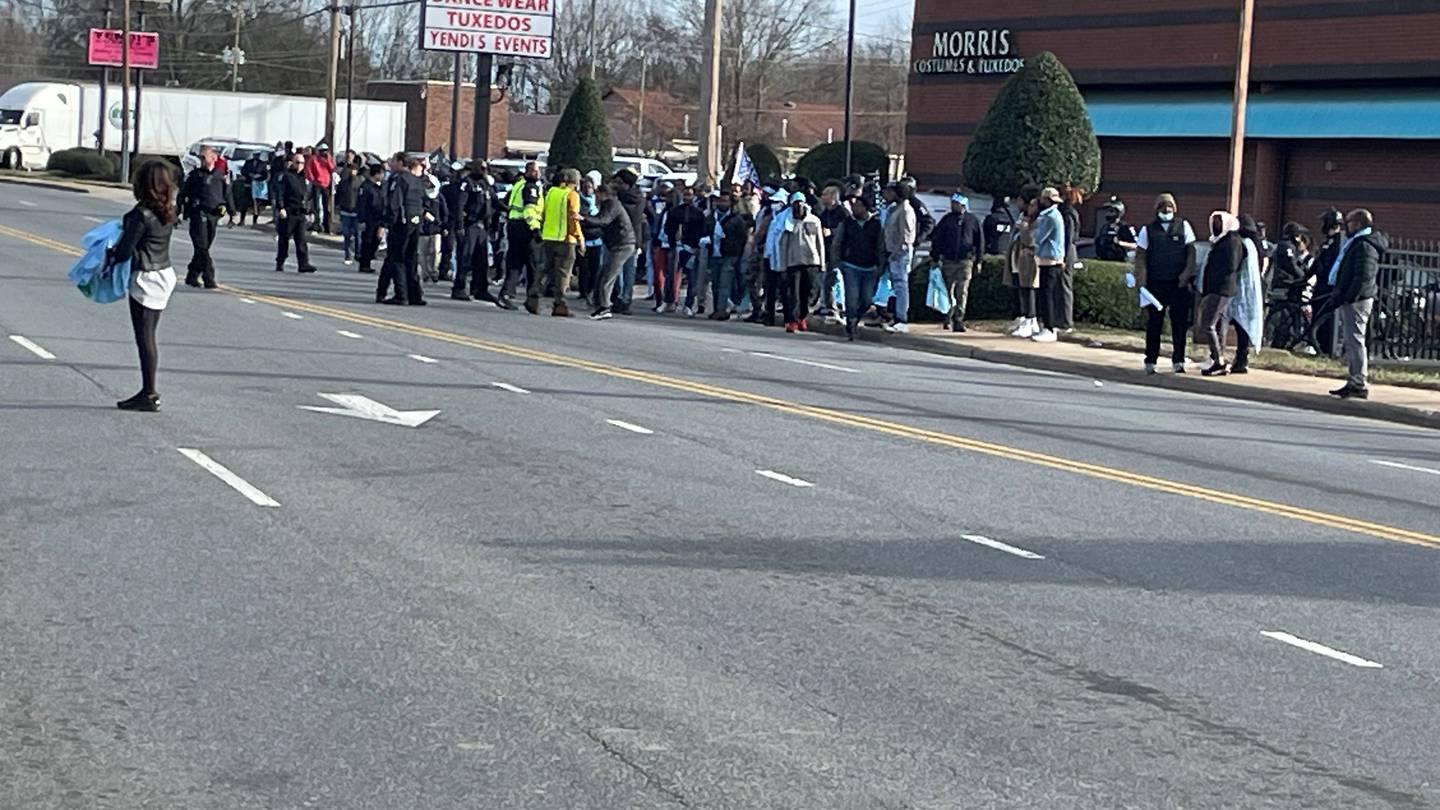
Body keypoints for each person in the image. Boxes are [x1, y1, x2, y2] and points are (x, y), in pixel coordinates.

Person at [109, 160, 179, 412]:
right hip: (164, 272)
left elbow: (125, 251)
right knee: (149, 335)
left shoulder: (141, 214)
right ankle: (147, 391)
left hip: (146, 278)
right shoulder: (167, 210)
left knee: (145, 337)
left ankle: (149, 393)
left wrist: (110, 252)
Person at [1133, 192, 1197, 374]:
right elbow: (1141, 256)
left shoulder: (1184, 226)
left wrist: (1186, 275)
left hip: (1178, 285)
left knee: (1179, 325)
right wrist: (1141, 280)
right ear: (1156, 209)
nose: (1166, 209)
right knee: (1154, 324)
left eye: (1169, 206)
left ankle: (1178, 361)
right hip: (1156, 284)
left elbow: (1191, 253)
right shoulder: (1148, 230)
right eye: (1162, 206)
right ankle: (1150, 362)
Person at [1327, 209, 1388, 399]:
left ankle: (1359, 382)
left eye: (1350, 222)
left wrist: (1349, 296)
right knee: (1352, 340)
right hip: (1354, 298)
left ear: (1359, 224)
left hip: (1357, 300)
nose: (1347, 226)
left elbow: (1363, 276)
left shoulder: (1364, 245)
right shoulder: (1358, 243)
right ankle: (1354, 380)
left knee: (1355, 341)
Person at [830, 194, 887, 340]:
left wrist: (880, 265)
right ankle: (851, 323)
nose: (855, 208)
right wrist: (836, 263)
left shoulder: (875, 224)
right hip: (850, 266)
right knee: (852, 298)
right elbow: (838, 243)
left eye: (859, 206)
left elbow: (880, 246)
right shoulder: (847, 223)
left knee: (867, 299)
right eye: (855, 206)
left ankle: (857, 317)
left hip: (869, 268)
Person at [1198, 211, 1248, 376]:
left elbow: (1232, 265)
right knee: (1216, 324)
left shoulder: (1232, 241)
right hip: (1216, 288)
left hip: (1222, 288)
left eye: (1219, 223)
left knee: (1208, 323)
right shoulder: (1221, 241)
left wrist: (1216, 277)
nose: (1216, 227)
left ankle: (1218, 360)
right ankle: (1217, 358)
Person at [528, 167, 582, 316]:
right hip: (566, 239)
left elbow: (544, 213)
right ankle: (560, 304)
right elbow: (573, 218)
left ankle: (533, 296)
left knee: (545, 269)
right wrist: (579, 238)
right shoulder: (572, 195)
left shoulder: (551, 193)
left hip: (549, 237)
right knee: (563, 273)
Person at [177, 145, 231, 289]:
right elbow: (182, 194)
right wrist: (177, 212)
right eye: (200, 157)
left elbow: (227, 194)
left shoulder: (220, 176)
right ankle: (209, 277)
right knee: (201, 246)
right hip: (197, 213)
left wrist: (231, 212)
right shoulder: (195, 175)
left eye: (204, 157)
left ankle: (192, 275)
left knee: (204, 247)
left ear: (213, 158)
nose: (201, 160)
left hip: (214, 214)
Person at [929, 192, 984, 332]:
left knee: (962, 290)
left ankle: (959, 319)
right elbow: (938, 238)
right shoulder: (947, 220)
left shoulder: (973, 220)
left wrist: (979, 260)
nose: (953, 206)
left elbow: (980, 241)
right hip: (948, 261)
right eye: (952, 203)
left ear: (963, 205)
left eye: (956, 203)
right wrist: (935, 256)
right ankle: (947, 317)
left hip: (965, 261)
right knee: (947, 290)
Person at [582, 180, 636, 320]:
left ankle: (605, 307)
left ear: (602, 194)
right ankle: (600, 305)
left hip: (623, 244)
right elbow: (601, 225)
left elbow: (603, 221)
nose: (595, 198)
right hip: (617, 244)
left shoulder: (612, 204)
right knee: (602, 274)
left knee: (608, 276)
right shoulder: (608, 205)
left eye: (597, 195)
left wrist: (583, 218)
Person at [378, 156, 427, 305]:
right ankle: (415, 295)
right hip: (416, 221)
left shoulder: (399, 180)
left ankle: (401, 294)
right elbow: (424, 201)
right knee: (411, 259)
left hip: (401, 222)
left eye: (394, 161)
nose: (391, 164)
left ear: (401, 163)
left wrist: (386, 223)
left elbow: (395, 203)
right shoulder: (417, 181)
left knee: (397, 258)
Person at [778, 191, 825, 333]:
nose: (798, 207)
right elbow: (783, 245)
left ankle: (802, 317)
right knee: (794, 293)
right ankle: (792, 320)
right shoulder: (788, 222)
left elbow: (819, 242)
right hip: (793, 262)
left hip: (811, 261)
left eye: (800, 204)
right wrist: (782, 264)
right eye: (795, 204)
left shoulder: (814, 220)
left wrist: (822, 263)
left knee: (807, 291)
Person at [1227, 214, 1267, 373]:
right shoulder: (1254, 245)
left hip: (1240, 288)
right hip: (1251, 288)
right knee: (1242, 326)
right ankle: (1242, 357)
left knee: (1238, 324)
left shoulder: (1242, 244)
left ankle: (1240, 358)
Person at [500, 160, 544, 310]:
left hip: (513, 225)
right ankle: (532, 299)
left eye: (538, 171)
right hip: (526, 227)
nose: (537, 174)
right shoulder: (531, 187)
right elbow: (529, 209)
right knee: (533, 264)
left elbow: (506, 202)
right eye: (534, 171)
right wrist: (535, 229)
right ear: (527, 171)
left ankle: (506, 294)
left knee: (515, 262)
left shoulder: (518, 184)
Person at [704, 191, 752, 321]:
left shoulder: (736, 219)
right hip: (714, 254)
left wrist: (736, 253)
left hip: (729, 255)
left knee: (724, 283)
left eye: (725, 201)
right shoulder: (711, 217)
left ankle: (722, 310)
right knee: (715, 283)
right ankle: (716, 309)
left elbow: (743, 237)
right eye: (720, 201)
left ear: (730, 203)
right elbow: (704, 231)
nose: (722, 204)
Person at [453, 161, 497, 302]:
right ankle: (459, 288)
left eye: (485, 169)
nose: (484, 171)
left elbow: (494, 201)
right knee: (466, 257)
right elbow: (460, 206)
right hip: (470, 225)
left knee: (482, 260)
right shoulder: (467, 183)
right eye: (481, 168)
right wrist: (460, 226)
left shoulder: (486, 185)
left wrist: (510, 209)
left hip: (482, 226)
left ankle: (480, 289)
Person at [1030, 187, 1066, 343]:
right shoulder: (1053, 215)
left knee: (1047, 295)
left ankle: (1049, 328)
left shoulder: (1050, 217)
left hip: (1050, 260)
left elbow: (1039, 236)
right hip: (1050, 259)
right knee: (1047, 294)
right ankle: (1047, 326)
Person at [610, 169, 648, 314]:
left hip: (625, 238)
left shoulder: (626, 200)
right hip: (631, 238)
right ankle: (623, 299)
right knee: (625, 271)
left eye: (619, 183)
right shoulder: (640, 197)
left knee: (623, 271)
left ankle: (622, 299)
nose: (616, 185)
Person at [881, 183, 917, 333]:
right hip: (893, 253)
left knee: (901, 286)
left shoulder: (906, 210)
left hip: (900, 255)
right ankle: (894, 316)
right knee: (895, 287)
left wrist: (898, 252)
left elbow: (906, 235)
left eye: (889, 192)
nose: (886, 194)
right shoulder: (895, 209)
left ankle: (902, 319)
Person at [273, 150, 317, 274]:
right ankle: (280, 261)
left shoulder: (305, 178)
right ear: (292, 162)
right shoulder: (286, 176)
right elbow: (280, 193)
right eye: (297, 162)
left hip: (301, 213)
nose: (300, 165)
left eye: (302, 163)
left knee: (301, 240)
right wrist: (281, 208)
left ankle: (303, 264)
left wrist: (311, 211)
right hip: (288, 212)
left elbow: (309, 196)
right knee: (284, 239)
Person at [666, 185, 707, 316]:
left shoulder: (698, 213)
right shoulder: (674, 211)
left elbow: (702, 230)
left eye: (690, 195)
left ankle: (688, 304)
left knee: (692, 278)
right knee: (672, 275)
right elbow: (668, 228)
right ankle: (670, 301)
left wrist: (695, 245)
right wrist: (674, 238)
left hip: (692, 249)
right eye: (685, 195)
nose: (687, 197)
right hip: (676, 247)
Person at [1309, 207, 1345, 354]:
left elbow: (1327, 265)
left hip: (1328, 288)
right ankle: (1319, 347)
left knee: (1325, 321)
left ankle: (1326, 349)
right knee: (1318, 317)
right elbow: (1318, 263)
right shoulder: (1329, 242)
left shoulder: (1338, 243)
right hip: (1321, 286)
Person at [1006, 194, 1042, 338]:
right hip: (1018, 258)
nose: (1030, 208)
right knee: (1021, 289)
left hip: (1031, 259)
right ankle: (1024, 318)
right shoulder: (1023, 218)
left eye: (1033, 206)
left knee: (1029, 289)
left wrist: (1024, 228)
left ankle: (1031, 319)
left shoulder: (1037, 222)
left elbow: (1030, 241)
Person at [577, 172, 604, 303]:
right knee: (584, 268)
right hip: (584, 239)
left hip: (597, 239)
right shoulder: (578, 200)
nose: (588, 189)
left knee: (595, 268)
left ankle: (592, 290)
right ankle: (583, 292)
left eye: (590, 187)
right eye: (585, 187)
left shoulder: (598, 201)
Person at [418, 171, 448, 284]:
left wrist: (443, 225)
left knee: (435, 251)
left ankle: (434, 271)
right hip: (423, 229)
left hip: (436, 228)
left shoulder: (439, 197)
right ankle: (425, 272)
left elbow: (445, 212)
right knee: (422, 252)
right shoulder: (421, 195)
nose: (426, 184)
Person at [355, 164, 385, 274]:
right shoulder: (366, 187)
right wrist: (361, 220)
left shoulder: (379, 187)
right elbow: (361, 204)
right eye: (381, 173)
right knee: (367, 241)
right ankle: (364, 264)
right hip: (369, 218)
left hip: (378, 218)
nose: (383, 176)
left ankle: (369, 258)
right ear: (376, 174)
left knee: (376, 240)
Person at [335, 156, 362, 265]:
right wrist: (337, 206)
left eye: (354, 169)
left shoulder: (360, 182)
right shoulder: (344, 182)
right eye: (350, 169)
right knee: (346, 235)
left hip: (356, 212)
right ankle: (347, 254)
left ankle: (358, 253)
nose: (352, 171)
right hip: (345, 211)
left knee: (357, 234)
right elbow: (338, 194)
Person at [1094, 198, 1137, 262]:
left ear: (1119, 213)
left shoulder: (1124, 227)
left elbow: (1135, 245)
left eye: (1111, 211)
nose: (1108, 214)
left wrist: (1119, 242)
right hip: (1103, 261)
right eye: (1107, 211)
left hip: (1118, 261)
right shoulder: (1104, 227)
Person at [306, 143, 335, 233]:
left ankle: (327, 226)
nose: (324, 152)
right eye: (322, 151)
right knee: (316, 206)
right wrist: (313, 180)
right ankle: (317, 224)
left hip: (326, 185)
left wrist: (328, 160)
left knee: (327, 206)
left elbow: (332, 168)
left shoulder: (328, 159)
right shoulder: (313, 159)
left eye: (326, 150)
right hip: (317, 184)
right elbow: (308, 170)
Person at [242, 150, 269, 224]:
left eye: (257, 155)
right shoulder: (248, 162)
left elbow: (265, 174)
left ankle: (255, 220)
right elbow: (243, 171)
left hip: (257, 186)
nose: (256, 156)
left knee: (257, 204)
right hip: (248, 185)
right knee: (245, 202)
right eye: (255, 155)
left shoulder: (262, 164)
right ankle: (242, 220)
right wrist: (249, 174)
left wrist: (259, 176)